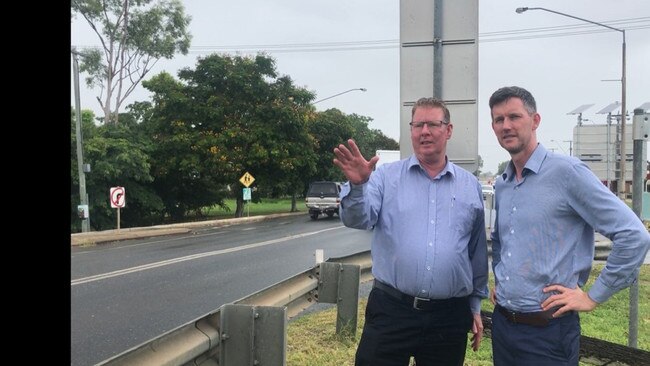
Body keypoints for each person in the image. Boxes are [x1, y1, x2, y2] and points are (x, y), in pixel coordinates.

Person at [487, 86, 650, 365]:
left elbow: (633, 236)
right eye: (498, 119)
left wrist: (593, 297)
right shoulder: (503, 183)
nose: (506, 126)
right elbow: (503, 240)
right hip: (503, 326)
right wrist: (504, 278)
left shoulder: (568, 173)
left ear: (535, 120)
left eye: (514, 117)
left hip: (548, 334)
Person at [333, 97, 489, 366]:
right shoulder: (385, 177)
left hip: (448, 317)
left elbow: (475, 252)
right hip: (392, 309)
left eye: (432, 124)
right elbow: (358, 219)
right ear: (411, 130)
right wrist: (358, 186)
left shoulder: (469, 186)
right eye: (418, 125)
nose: (424, 131)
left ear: (448, 130)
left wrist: (475, 306)